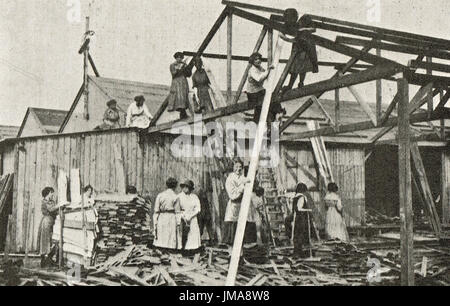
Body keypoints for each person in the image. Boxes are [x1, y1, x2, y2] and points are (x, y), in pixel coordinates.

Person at [280, 9, 318, 92]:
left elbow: (314, 29)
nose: (291, 22)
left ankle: (301, 83)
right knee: (294, 67)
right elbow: (281, 33)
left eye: (292, 20)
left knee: (302, 66)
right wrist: (290, 40)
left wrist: (304, 29)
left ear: (295, 17)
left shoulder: (305, 17)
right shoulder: (289, 21)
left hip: (307, 46)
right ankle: (290, 85)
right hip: (298, 45)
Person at [247, 52, 285, 123]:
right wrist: (268, 70)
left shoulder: (259, 68)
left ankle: (278, 113)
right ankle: (278, 112)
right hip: (253, 94)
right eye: (255, 59)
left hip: (259, 91)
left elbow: (266, 74)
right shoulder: (252, 70)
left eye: (259, 59)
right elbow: (259, 78)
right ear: (252, 61)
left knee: (271, 99)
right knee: (265, 104)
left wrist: (269, 70)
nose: (258, 61)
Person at [223, 158, 252, 246]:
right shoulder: (230, 178)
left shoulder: (243, 178)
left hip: (242, 206)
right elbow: (232, 195)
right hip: (234, 205)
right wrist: (242, 187)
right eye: (236, 167)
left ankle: (241, 251)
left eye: (240, 167)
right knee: (232, 230)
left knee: (242, 230)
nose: (238, 169)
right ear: (233, 168)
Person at [37, 187, 65, 268]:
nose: (52, 195)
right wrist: (59, 205)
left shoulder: (52, 201)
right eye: (51, 193)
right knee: (45, 240)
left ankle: (48, 259)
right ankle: (45, 260)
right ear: (48, 193)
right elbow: (51, 209)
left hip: (51, 222)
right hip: (46, 222)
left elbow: (55, 210)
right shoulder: (44, 202)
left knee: (52, 241)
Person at [153, 177, 181, 251]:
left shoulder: (160, 195)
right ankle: (169, 252)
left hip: (162, 216)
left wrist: (155, 221)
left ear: (166, 185)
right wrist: (178, 223)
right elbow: (177, 211)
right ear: (175, 186)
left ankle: (162, 251)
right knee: (170, 235)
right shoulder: (176, 196)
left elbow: (156, 210)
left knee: (162, 234)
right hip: (171, 217)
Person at [177, 180, 202, 254]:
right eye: (184, 187)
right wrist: (183, 216)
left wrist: (191, 216)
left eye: (187, 187)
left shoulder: (194, 197)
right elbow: (177, 209)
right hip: (182, 216)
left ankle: (191, 249)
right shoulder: (179, 196)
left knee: (193, 232)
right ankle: (181, 249)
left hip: (192, 216)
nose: (185, 188)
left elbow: (198, 208)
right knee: (181, 233)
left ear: (190, 188)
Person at [167, 52, 192, 120]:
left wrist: (187, 68)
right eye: (178, 57)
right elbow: (174, 73)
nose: (179, 59)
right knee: (178, 97)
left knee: (184, 97)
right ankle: (180, 113)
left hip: (183, 82)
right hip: (176, 82)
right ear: (176, 58)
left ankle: (183, 113)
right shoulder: (172, 65)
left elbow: (189, 74)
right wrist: (180, 69)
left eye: (181, 57)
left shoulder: (184, 64)